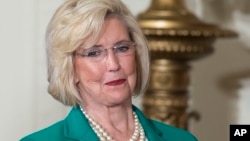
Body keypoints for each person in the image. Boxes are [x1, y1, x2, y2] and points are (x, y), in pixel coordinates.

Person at [20, 0, 198, 140]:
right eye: (94, 53)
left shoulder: (183, 139)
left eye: (122, 48)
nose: (113, 64)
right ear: (70, 68)